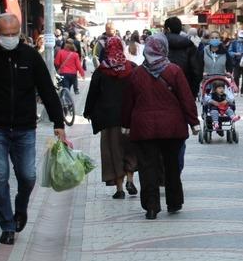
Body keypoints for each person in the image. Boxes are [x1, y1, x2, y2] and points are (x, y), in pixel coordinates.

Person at [0, 13, 66, 245]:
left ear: (19, 33)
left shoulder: (30, 56)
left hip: (25, 127)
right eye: (5, 34)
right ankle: (7, 226)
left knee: (28, 176)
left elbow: (47, 89)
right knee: (0, 177)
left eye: (14, 34)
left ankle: (21, 207)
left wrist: (58, 123)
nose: (10, 38)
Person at [122, 34, 199, 219]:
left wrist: (125, 124)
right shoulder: (174, 71)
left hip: (144, 128)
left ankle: (151, 206)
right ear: (164, 49)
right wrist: (193, 121)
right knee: (171, 165)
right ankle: (173, 202)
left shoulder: (137, 73)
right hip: (172, 128)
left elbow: (128, 102)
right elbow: (186, 98)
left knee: (148, 167)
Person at [84, 37, 139, 200]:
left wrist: (88, 112)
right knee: (130, 149)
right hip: (129, 117)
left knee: (113, 152)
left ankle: (120, 188)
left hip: (108, 119)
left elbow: (92, 94)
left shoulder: (101, 71)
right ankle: (130, 179)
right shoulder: (132, 68)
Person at [164, 17, 201, 97]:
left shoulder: (158, 44)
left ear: (168, 29)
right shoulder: (189, 45)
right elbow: (196, 71)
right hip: (185, 88)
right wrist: (193, 93)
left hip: (162, 89)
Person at [228, 30, 243, 97]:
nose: (241, 39)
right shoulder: (233, 43)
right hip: (237, 61)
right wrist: (235, 54)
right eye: (240, 37)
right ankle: (236, 90)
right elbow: (229, 52)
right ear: (238, 36)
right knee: (236, 76)